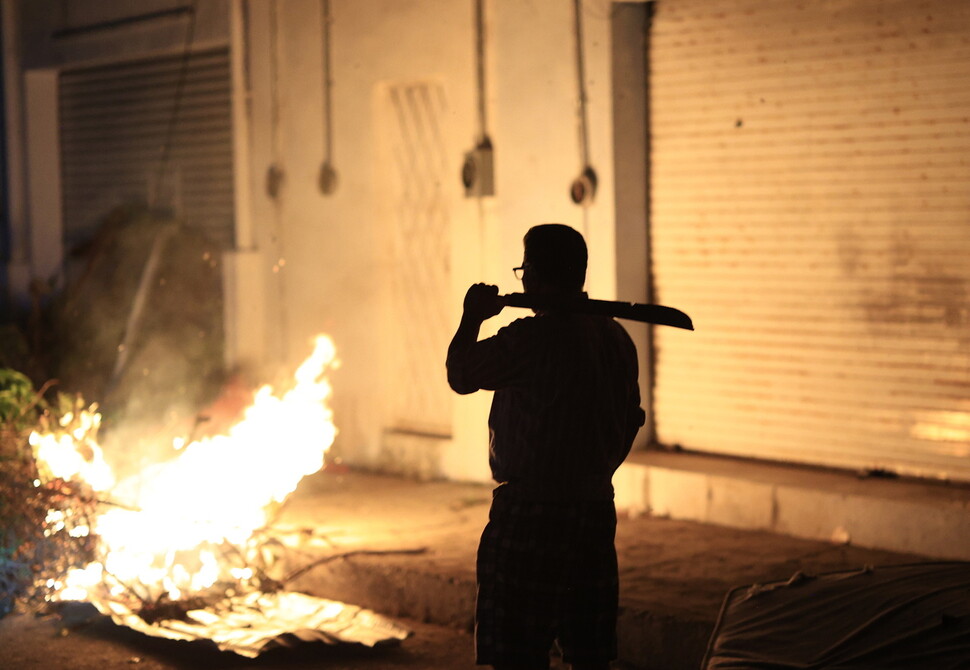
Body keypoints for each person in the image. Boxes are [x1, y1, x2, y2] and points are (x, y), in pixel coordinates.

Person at [446, 224, 645, 670]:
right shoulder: (616, 339)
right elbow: (632, 421)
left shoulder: (531, 339)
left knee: (517, 652)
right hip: (594, 512)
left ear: (532, 272)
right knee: (589, 654)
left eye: (523, 269)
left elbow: (460, 374)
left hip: (531, 515)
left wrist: (472, 316)